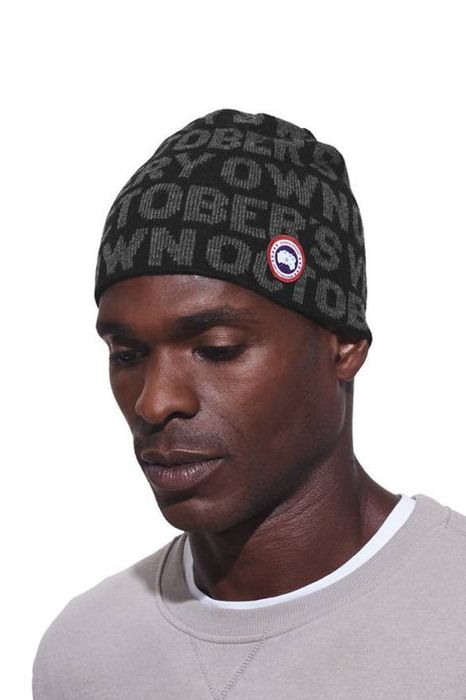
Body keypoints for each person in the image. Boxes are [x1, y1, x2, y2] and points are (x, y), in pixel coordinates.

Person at [32, 109, 466, 699]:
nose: (154, 402)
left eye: (217, 349)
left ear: (343, 346)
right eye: (128, 354)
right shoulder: (84, 653)